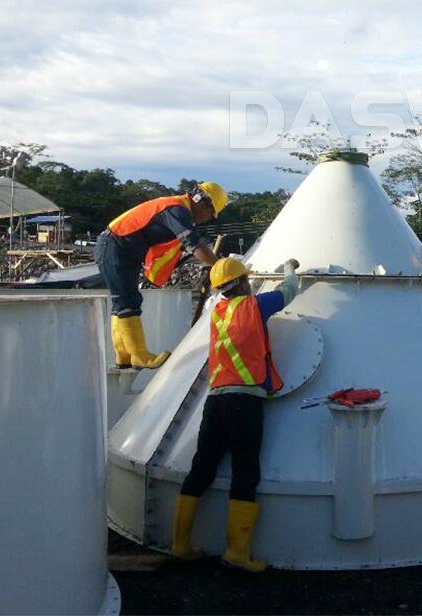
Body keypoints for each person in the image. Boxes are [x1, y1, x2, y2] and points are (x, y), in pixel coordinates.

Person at [170, 256, 300, 572]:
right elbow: (290, 291)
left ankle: (180, 544)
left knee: (201, 468)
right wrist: (289, 267)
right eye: (246, 280)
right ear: (242, 283)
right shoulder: (255, 306)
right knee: (245, 472)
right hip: (246, 401)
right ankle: (238, 552)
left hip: (215, 401)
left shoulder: (217, 312)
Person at [96, 182, 228, 369]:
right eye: (211, 214)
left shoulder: (177, 208)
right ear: (202, 202)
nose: (208, 219)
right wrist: (221, 265)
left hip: (119, 249)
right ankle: (139, 355)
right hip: (114, 248)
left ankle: (124, 357)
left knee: (123, 303)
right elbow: (194, 243)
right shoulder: (177, 209)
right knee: (128, 301)